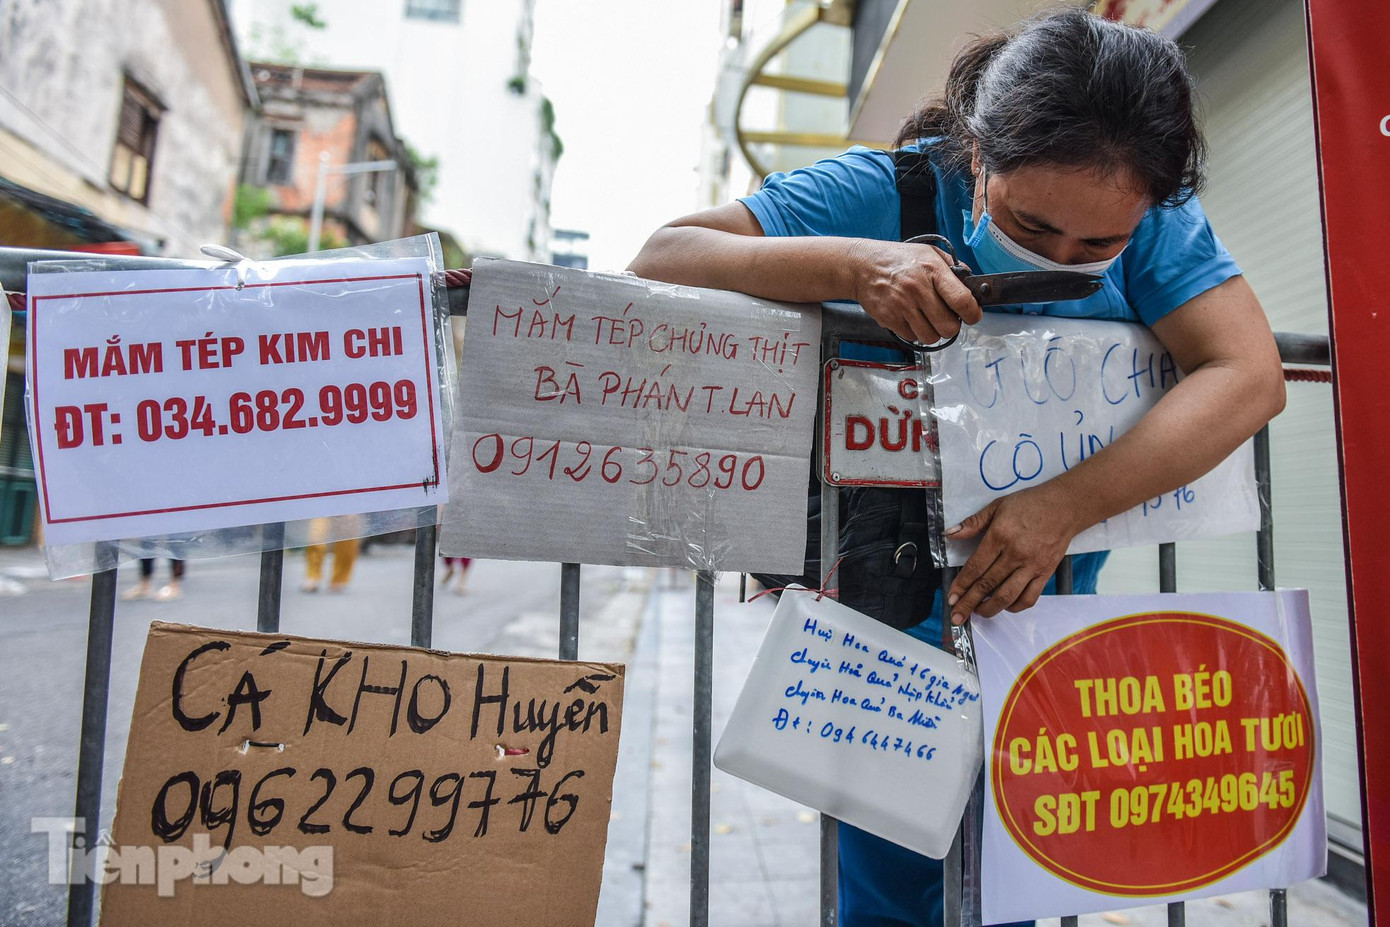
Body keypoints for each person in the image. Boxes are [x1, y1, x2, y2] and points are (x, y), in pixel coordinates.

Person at [629, 9, 1285, 926]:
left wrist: (1066, 504)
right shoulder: (885, 189)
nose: (1063, 255)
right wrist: (859, 266)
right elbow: (665, 256)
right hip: (880, 636)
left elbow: (1249, 373)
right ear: (977, 154)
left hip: (1046, 631)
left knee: (1020, 885)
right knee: (887, 895)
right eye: (1031, 222)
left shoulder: (1159, 217)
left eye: (1099, 247)